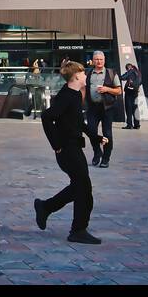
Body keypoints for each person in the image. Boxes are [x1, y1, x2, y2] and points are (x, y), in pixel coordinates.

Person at [34, 60, 102, 244]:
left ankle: (46, 207)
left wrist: (95, 137)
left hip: (73, 148)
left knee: (80, 187)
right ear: (77, 77)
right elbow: (47, 117)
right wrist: (55, 144)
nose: (86, 76)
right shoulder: (67, 96)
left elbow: (78, 122)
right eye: (83, 73)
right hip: (67, 150)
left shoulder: (72, 94)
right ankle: (77, 230)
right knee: (83, 189)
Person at [85, 50, 122, 168]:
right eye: (96, 59)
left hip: (107, 108)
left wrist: (107, 89)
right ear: (93, 61)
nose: (99, 61)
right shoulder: (88, 73)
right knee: (91, 131)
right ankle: (97, 152)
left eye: (101, 59)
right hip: (92, 107)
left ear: (104, 60)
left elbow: (119, 91)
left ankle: (106, 158)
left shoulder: (111, 73)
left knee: (107, 133)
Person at [120, 60, 142, 129]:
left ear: (128, 68)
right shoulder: (138, 72)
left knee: (128, 108)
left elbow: (122, 77)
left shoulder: (130, 71)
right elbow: (140, 82)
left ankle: (129, 125)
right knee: (135, 108)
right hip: (135, 92)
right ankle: (137, 125)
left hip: (129, 92)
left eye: (127, 69)